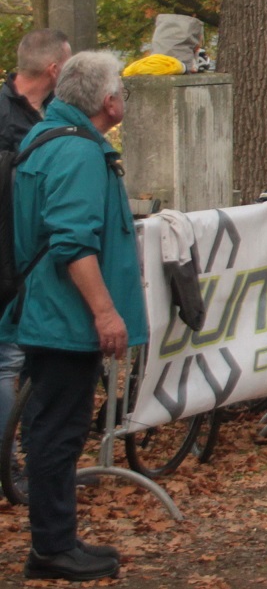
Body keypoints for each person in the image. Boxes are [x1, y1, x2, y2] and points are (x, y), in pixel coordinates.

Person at [2, 51, 142, 581]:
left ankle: (56, 540)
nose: (123, 97)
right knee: (56, 434)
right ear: (108, 101)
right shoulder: (78, 152)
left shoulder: (49, 138)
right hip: (63, 318)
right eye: (122, 89)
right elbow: (72, 242)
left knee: (51, 430)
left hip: (49, 313)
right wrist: (105, 313)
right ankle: (52, 548)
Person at [0, 28, 71, 483]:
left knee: (21, 359)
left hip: (30, 256)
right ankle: (9, 464)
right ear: (54, 69)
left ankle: (25, 458)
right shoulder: (7, 117)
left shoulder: (46, 113)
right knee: (8, 359)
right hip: (9, 258)